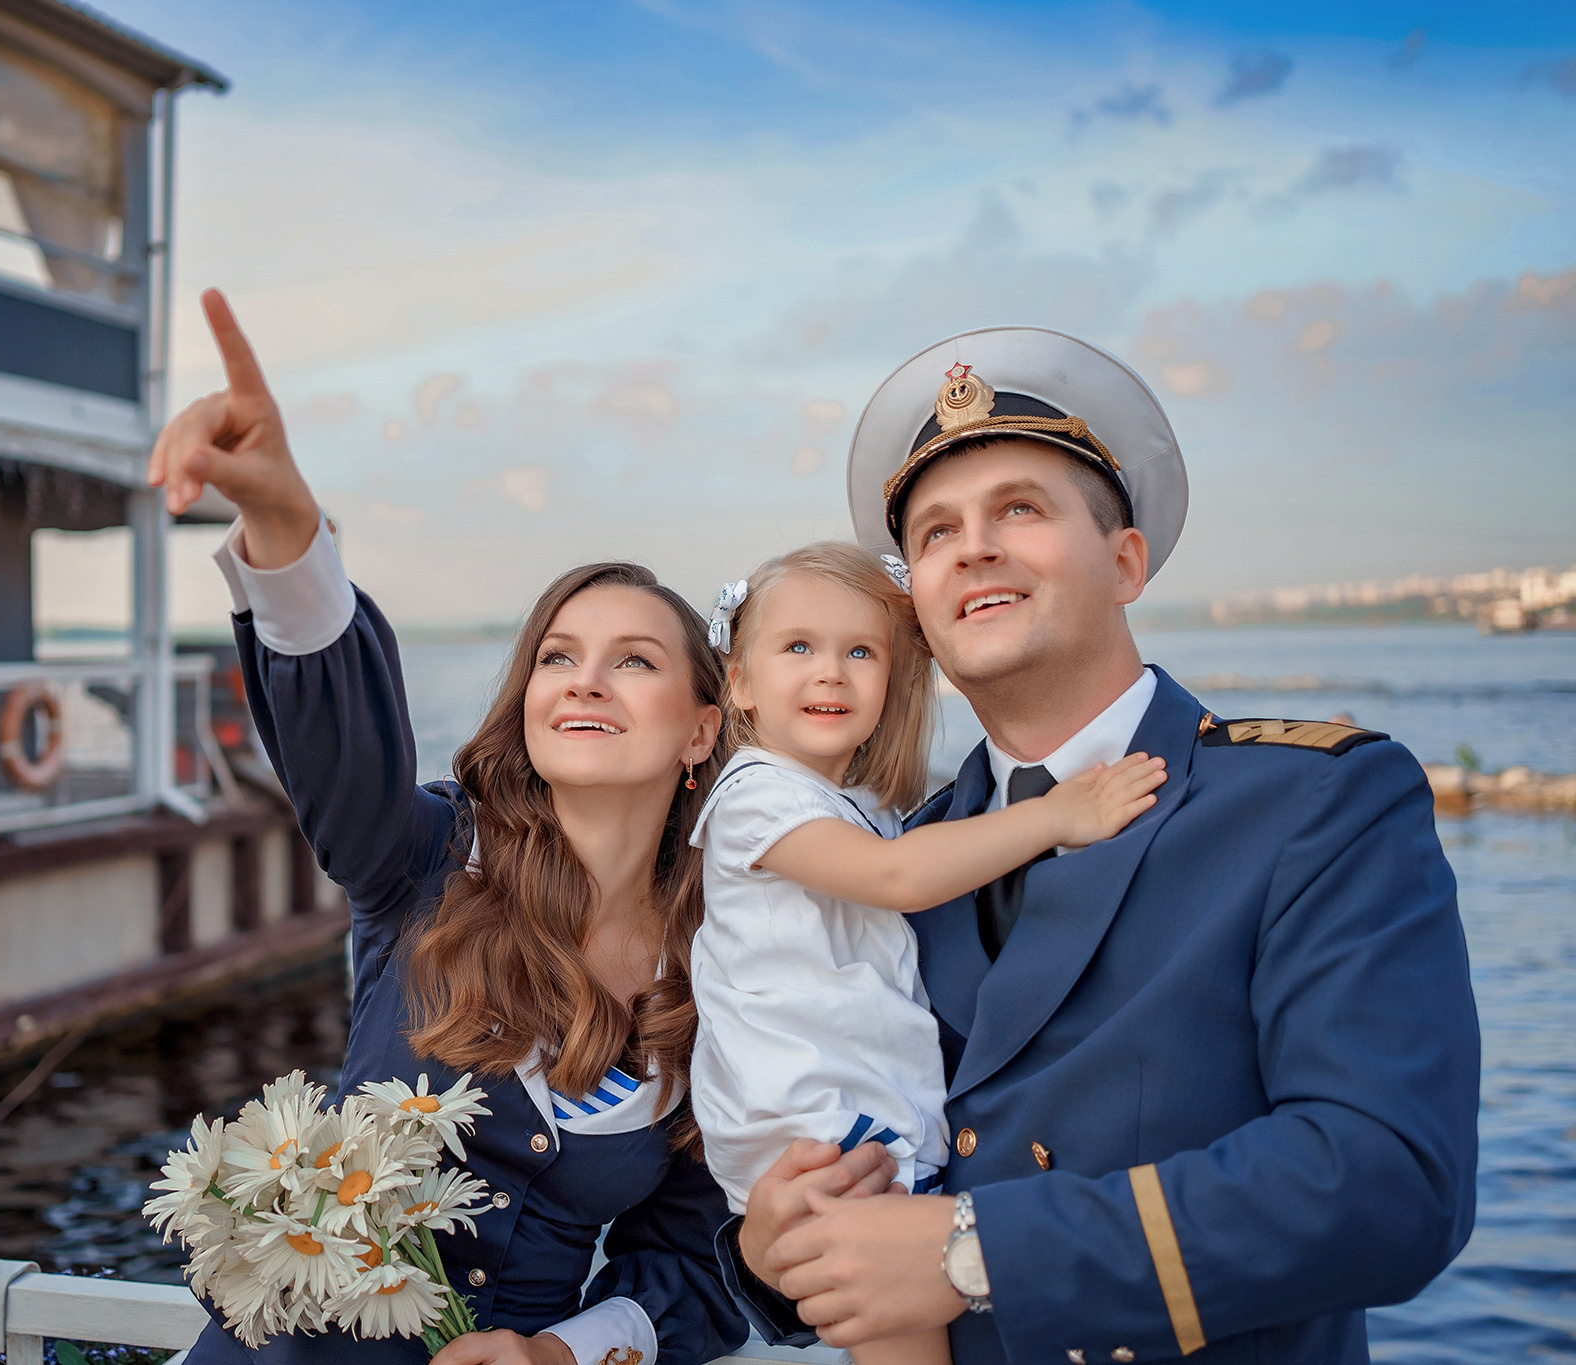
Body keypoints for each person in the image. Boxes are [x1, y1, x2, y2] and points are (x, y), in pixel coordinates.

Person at [716, 327, 1480, 1363]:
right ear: (919, 614)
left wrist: (972, 1252)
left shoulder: (1313, 802)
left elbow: (1390, 1182)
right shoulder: (903, 853)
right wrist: (769, 1251)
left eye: (1017, 510)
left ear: (1124, 562)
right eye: (935, 533)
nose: (972, 547)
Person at [147, 290, 749, 1365]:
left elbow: (695, 1254)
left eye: (634, 659)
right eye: (557, 656)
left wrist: (556, 1352)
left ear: (701, 729)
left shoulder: (729, 965)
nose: (583, 681)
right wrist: (286, 524)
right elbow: (340, 736)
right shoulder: (425, 861)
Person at [687, 540, 1166, 1365]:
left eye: (860, 651)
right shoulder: (754, 795)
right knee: (902, 1335)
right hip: (811, 1117)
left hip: (854, 1105)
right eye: (797, 646)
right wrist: (1058, 815)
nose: (830, 672)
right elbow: (898, 877)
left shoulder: (858, 803)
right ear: (739, 683)